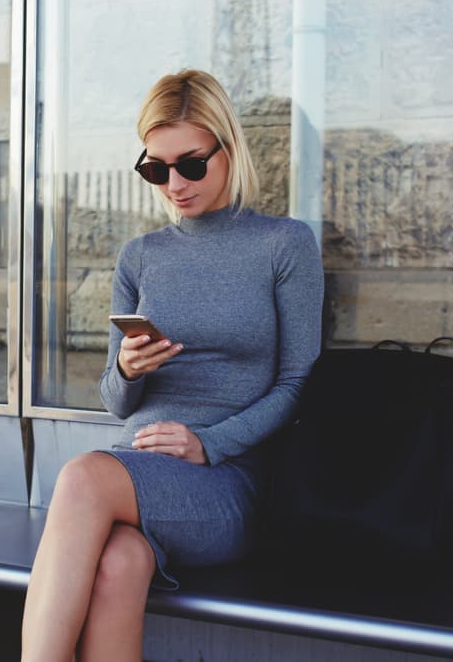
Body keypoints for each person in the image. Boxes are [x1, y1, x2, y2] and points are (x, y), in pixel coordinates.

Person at [21, 69, 324, 662]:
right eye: (155, 169)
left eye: (190, 164)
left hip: (226, 484)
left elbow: (298, 384)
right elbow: (115, 402)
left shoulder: (284, 245)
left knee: (81, 475)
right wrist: (130, 370)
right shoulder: (141, 256)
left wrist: (207, 443)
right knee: (118, 564)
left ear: (228, 149)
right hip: (135, 478)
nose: (174, 184)